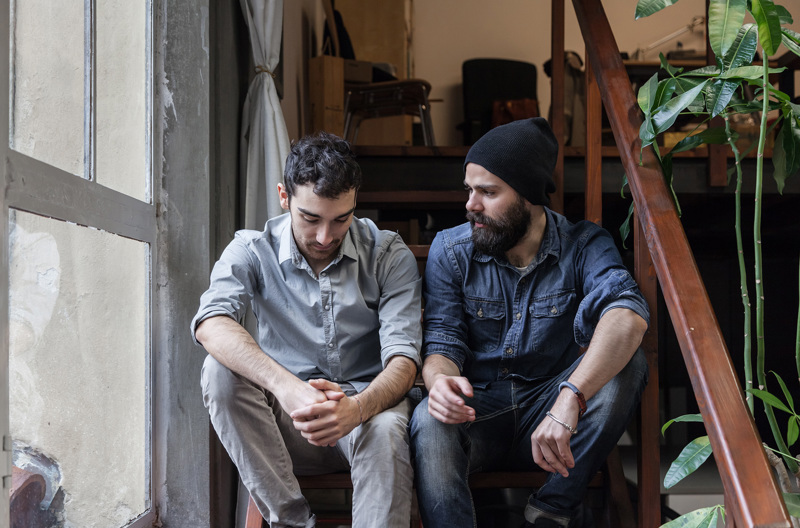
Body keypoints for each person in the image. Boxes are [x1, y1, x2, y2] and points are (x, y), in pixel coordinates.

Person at [409, 118, 649, 528]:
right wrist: (440, 381)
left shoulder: (584, 244)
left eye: (488, 192)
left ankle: (550, 513)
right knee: (429, 419)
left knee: (630, 362)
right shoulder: (451, 250)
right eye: (470, 189)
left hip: (553, 413)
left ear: (529, 196)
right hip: (478, 413)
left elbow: (627, 316)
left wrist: (570, 398)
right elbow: (443, 342)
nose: (471, 205)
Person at [192, 132, 422, 528]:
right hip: (286, 425)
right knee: (218, 372)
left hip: (368, 415)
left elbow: (404, 361)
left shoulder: (387, 253)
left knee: (385, 431)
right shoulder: (252, 249)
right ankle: (293, 524)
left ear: (355, 202)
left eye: (341, 219)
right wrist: (286, 387)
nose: (324, 237)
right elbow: (211, 323)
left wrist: (357, 408)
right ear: (284, 197)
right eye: (311, 218)